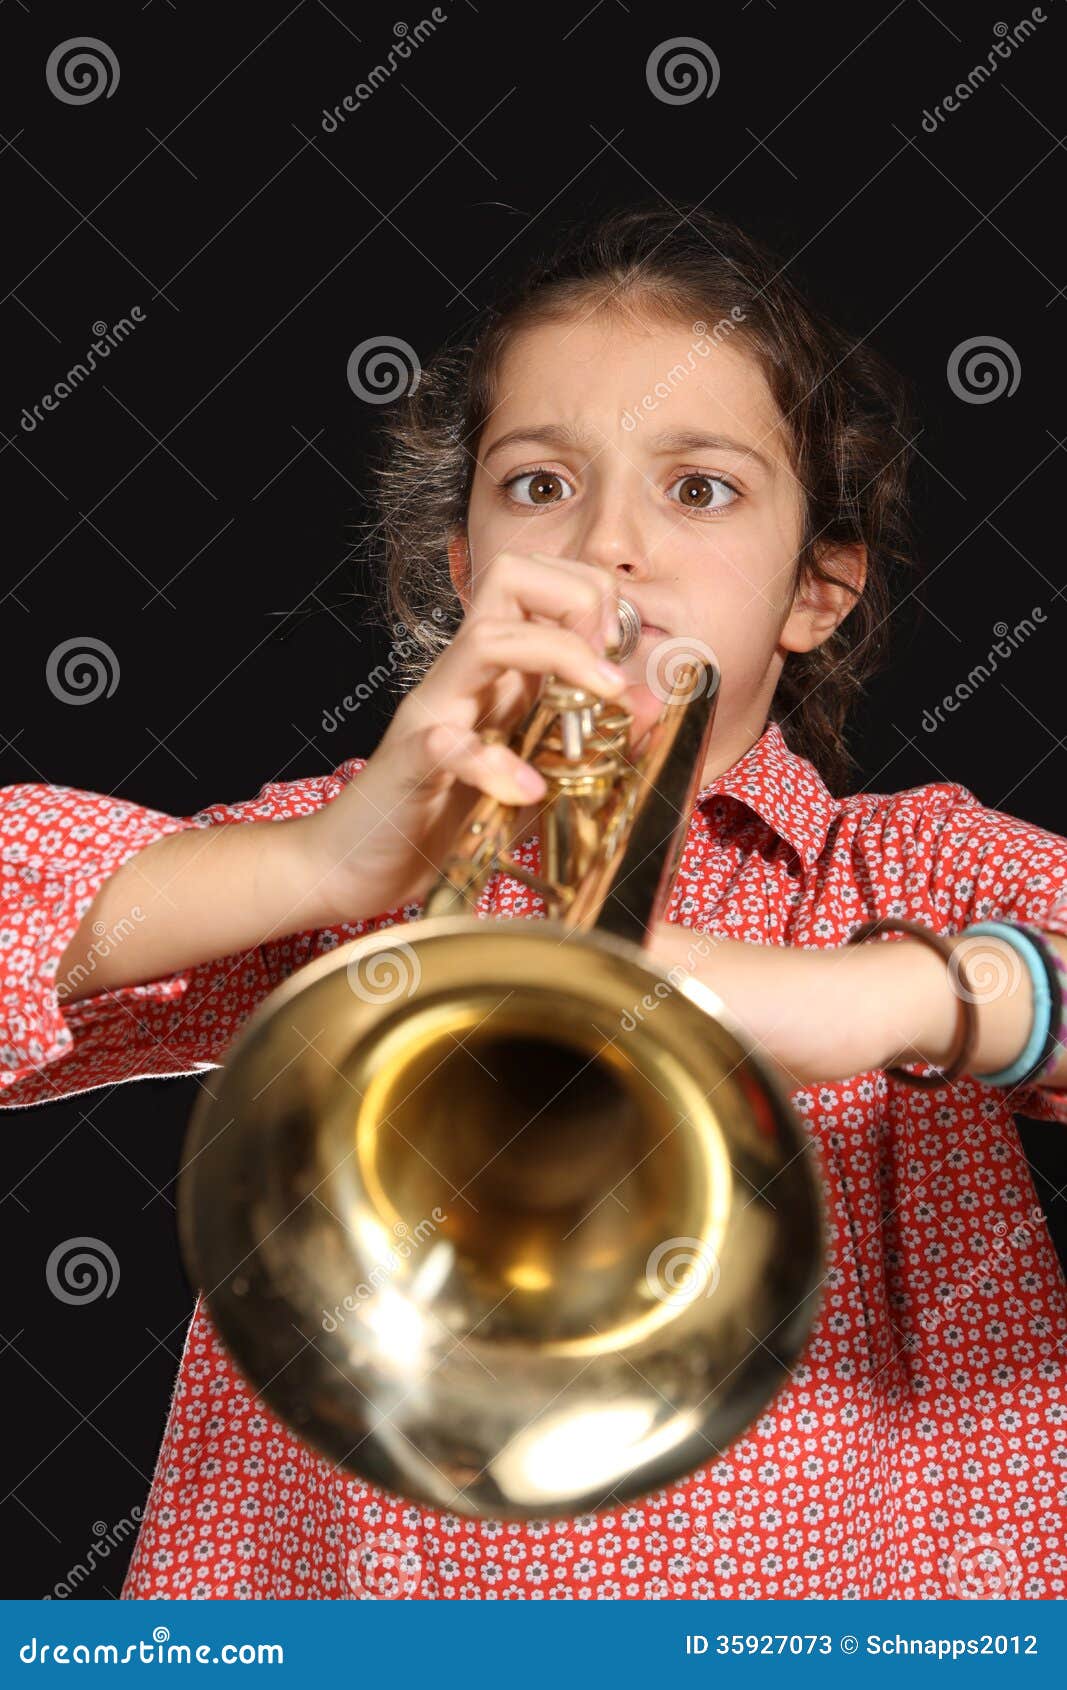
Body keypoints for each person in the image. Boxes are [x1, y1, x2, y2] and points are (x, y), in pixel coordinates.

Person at [2, 205, 1066, 1601]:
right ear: (463, 566)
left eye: (701, 490)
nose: (611, 546)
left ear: (819, 588)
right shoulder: (348, 875)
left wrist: (909, 991)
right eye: (538, 484)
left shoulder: (909, 872)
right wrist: (321, 862)